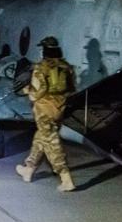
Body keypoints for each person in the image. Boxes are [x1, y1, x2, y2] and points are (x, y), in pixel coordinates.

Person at [15, 36, 76, 192]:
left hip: (44, 111)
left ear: (44, 50)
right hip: (59, 109)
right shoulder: (66, 67)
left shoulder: (40, 68)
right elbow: (71, 88)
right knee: (41, 138)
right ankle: (28, 169)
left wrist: (26, 90)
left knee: (52, 144)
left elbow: (38, 93)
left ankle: (65, 178)